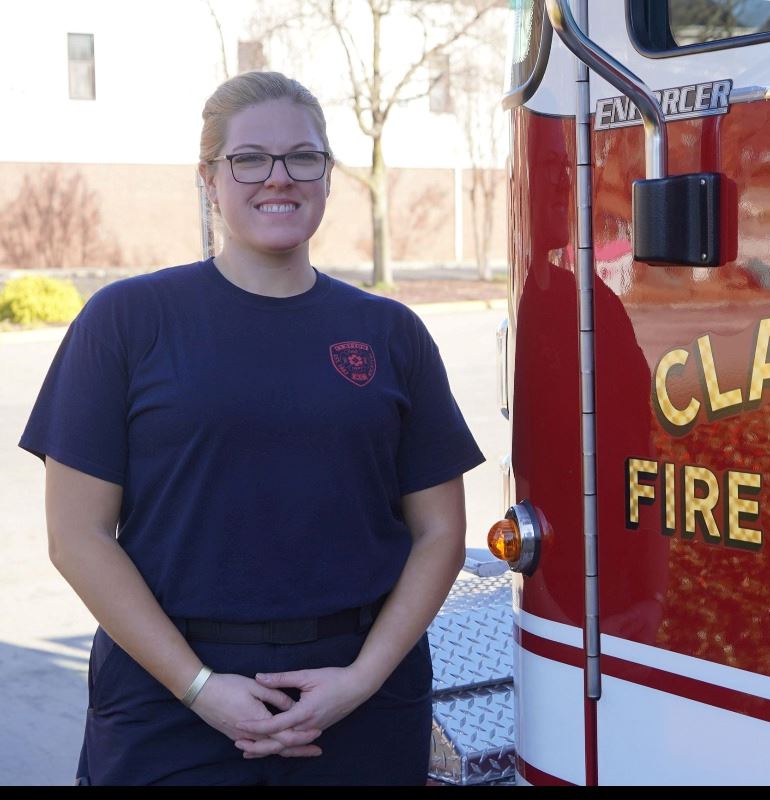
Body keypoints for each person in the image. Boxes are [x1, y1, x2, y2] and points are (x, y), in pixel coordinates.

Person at [19, 71, 485, 786]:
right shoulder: (126, 321)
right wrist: (200, 688)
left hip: (361, 699)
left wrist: (360, 681)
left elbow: (440, 533)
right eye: (249, 159)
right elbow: (77, 536)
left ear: (328, 176)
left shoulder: (390, 332)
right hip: (168, 697)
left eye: (303, 157)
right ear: (209, 178)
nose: (279, 177)